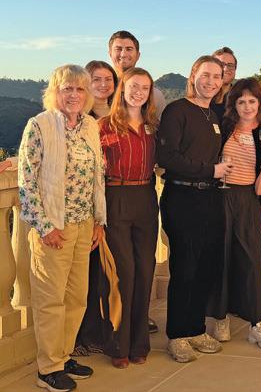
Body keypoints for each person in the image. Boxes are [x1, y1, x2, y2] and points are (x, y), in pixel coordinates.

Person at [18, 64, 106, 392]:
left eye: (80, 89)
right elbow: (27, 180)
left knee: (76, 298)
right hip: (53, 226)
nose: (73, 95)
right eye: (67, 88)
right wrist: (44, 227)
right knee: (50, 301)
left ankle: (64, 355)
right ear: (54, 92)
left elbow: (97, 176)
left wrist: (99, 220)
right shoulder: (39, 125)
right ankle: (48, 369)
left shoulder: (90, 127)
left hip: (83, 225)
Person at [157, 55, 232, 362]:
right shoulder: (177, 110)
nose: (211, 81)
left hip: (210, 198)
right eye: (206, 75)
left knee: (206, 267)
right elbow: (168, 157)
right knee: (185, 268)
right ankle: (177, 335)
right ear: (193, 75)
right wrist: (210, 170)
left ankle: (196, 328)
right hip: (182, 198)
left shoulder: (213, 115)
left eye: (217, 76)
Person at [207, 77, 261, 350]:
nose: (247, 106)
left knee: (251, 260)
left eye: (252, 101)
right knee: (221, 257)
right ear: (233, 104)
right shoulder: (224, 127)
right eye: (241, 101)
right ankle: (221, 317)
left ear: (260, 103)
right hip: (221, 196)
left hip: (249, 198)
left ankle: (257, 323)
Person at [99, 67, 159, 367]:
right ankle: (118, 345)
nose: (138, 92)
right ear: (122, 88)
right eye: (134, 86)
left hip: (146, 197)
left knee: (145, 271)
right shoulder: (103, 126)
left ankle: (139, 343)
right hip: (116, 197)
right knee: (123, 273)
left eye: (145, 88)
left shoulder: (153, 127)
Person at [70, 61, 117, 358]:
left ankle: (99, 330)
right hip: (86, 205)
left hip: (117, 200)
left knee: (106, 274)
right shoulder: (78, 117)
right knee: (83, 273)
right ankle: (78, 336)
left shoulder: (120, 115)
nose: (102, 84)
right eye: (95, 79)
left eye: (107, 79)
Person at [108, 30, 167, 118]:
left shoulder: (155, 96)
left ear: (138, 55)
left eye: (129, 49)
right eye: (118, 49)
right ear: (110, 54)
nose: (123, 54)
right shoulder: (101, 90)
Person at [210, 46, 237, 121]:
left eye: (230, 65)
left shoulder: (241, 100)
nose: (226, 69)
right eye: (221, 64)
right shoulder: (200, 101)